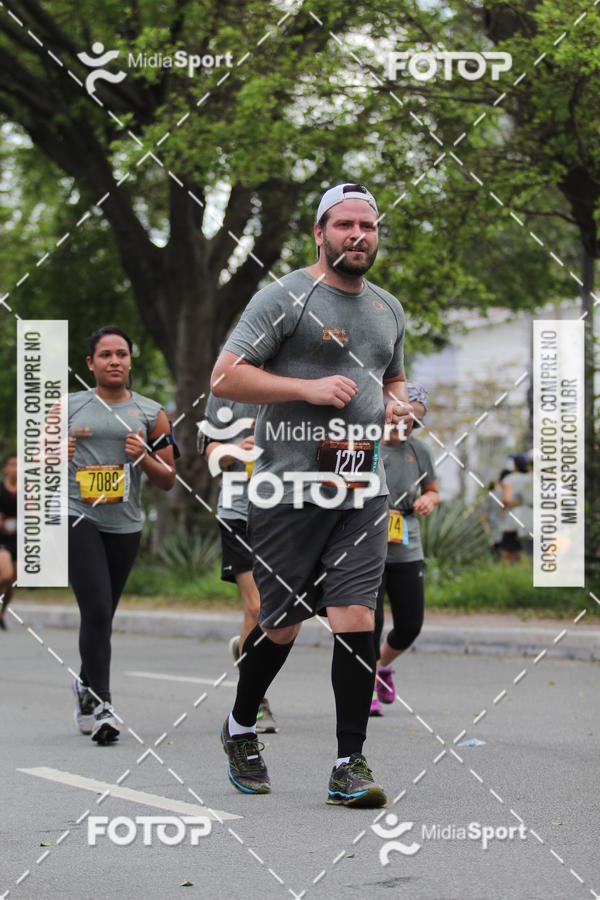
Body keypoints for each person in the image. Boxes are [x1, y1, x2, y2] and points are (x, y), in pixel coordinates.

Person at [211, 182, 411, 807]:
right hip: (288, 488)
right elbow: (224, 377)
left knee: (356, 618)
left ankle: (349, 763)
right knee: (282, 625)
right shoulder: (285, 297)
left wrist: (404, 409)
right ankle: (241, 725)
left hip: (360, 488)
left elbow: (393, 379)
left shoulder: (387, 309)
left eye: (368, 226)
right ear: (320, 233)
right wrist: (310, 390)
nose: (358, 236)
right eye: (345, 225)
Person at [68, 327, 175, 743]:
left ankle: (83, 684)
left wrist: (144, 456)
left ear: (131, 361)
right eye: (105, 354)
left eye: (122, 354)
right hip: (78, 516)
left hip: (125, 524)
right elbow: (36, 468)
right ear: (90, 363)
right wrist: (56, 455)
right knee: (95, 610)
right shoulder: (68, 408)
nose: (115, 361)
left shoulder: (152, 412)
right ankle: (103, 705)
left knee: (103, 615)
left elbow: (168, 479)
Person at [199, 393, 277, 733]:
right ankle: (256, 700)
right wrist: (238, 449)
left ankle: (247, 652)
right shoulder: (225, 392)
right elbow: (210, 453)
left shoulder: (299, 381)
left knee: (283, 614)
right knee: (257, 607)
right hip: (239, 513)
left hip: (287, 513)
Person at [371, 388, 439, 715]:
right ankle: (366, 684)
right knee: (370, 621)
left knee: (410, 623)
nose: (407, 424)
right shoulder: (368, 444)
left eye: (415, 420)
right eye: (405, 415)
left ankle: (382, 667)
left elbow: (433, 490)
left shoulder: (419, 451)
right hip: (368, 545)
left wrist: (429, 500)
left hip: (407, 543)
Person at [500, 452, 533, 559]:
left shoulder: (510, 479)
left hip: (513, 519)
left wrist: (502, 509)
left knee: (508, 552)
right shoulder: (528, 478)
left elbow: (506, 499)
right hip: (530, 518)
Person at [0, 452, 18, 631]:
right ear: (5, 468)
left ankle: (2, 612)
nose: (15, 469)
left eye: (18, 465)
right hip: (2, 539)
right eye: (11, 464)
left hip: (20, 539)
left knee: (13, 580)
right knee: (5, 575)